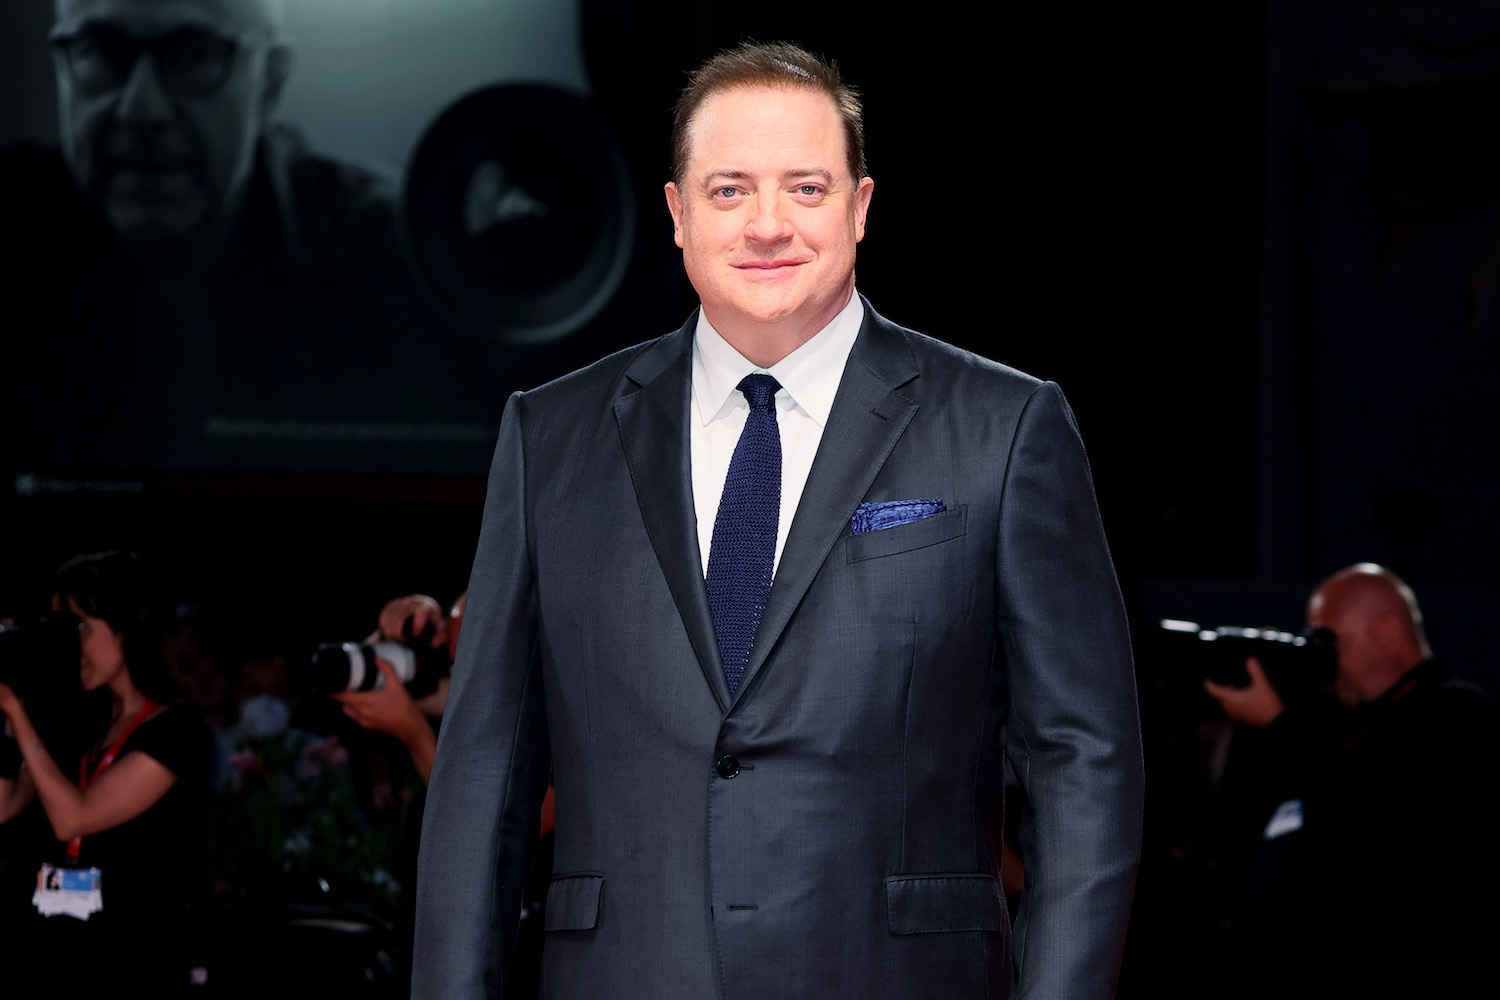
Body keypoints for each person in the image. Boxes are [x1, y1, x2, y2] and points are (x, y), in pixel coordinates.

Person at [413, 42, 1144, 999]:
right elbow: (484, 776)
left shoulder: (1003, 429)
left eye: (805, 187)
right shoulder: (549, 436)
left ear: (860, 206)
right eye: (728, 191)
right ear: (676, 213)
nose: (767, 225)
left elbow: (1081, 760)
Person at [0, 0, 462, 473]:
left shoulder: (410, 261)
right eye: (99, 52)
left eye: (196, 55)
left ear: (271, 79)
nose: (141, 109)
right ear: (60, 61)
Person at [1206, 563, 1500, 998]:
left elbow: (1382, 823)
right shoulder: (1344, 729)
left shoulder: (1460, 717)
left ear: (1387, 633)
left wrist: (1280, 726)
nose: (1323, 660)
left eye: (1329, 641)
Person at [0, 551, 214, 997]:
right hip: (41, 954)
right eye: (59, 631)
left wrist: (17, 714)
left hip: (126, 962)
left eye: (80, 629)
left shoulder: (178, 732)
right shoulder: (69, 721)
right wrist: (6, 712)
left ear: (129, 625)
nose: (70, 645)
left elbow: (73, 818)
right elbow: (4, 805)